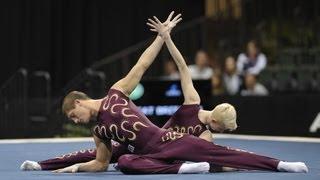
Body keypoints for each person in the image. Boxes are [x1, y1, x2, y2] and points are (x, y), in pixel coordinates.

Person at [50, 12, 307, 174]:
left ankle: (280, 164)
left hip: (168, 140)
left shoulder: (116, 94)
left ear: (80, 102)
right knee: (125, 162)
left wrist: (162, 37)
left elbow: (142, 64)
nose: (76, 121)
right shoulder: (99, 131)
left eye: (74, 115)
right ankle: (183, 168)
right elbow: (101, 164)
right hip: (147, 156)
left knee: (224, 153)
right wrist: (76, 167)